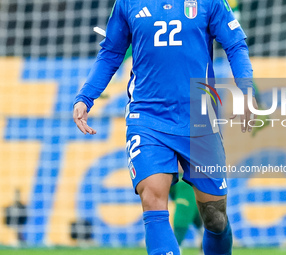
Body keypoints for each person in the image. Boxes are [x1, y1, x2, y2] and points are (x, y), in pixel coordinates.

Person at [73, 0, 257, 254]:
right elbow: (111, 52)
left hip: (200, 120)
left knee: (215, 218)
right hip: (147, 118)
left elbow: (235, 44)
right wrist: (86, 96)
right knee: (152, 198)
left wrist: (246, 89)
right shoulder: (127, 3)